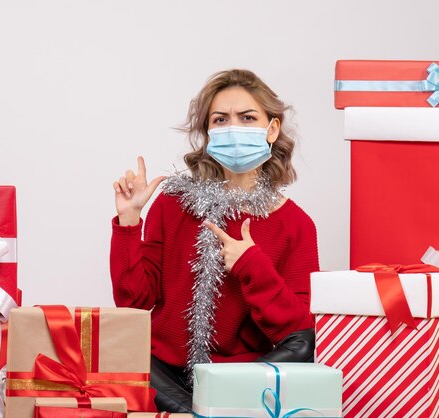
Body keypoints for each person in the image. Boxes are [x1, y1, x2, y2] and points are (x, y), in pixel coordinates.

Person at [110, 69, 319, 412]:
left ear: (272, 129)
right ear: (208, 133)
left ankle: (202, 410)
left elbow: (297, 331)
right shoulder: (172, 203)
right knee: (119, 348)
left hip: (242, 377)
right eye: (220, 119)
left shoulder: (296, 224)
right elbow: (132, 301)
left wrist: (252, 265)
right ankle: (202, 411)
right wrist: (130, 218)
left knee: (308, 341)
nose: (232, 127)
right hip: (164, 372)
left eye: (247, 117)